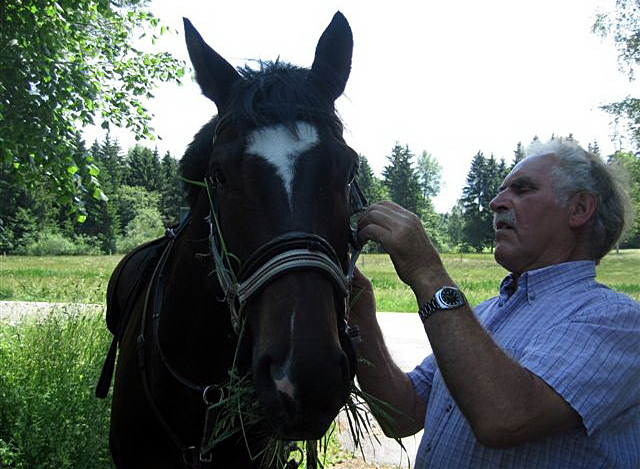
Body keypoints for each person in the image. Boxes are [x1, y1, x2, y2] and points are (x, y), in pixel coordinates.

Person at [351, 139, 640, 467]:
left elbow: (505, 416)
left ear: (579, 209)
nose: (496, 202)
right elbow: (402, 414)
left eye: (522, 189)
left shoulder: (618, 320)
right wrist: (359, 312)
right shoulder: (486, 313)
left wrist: (427, 271)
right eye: (502, 190)